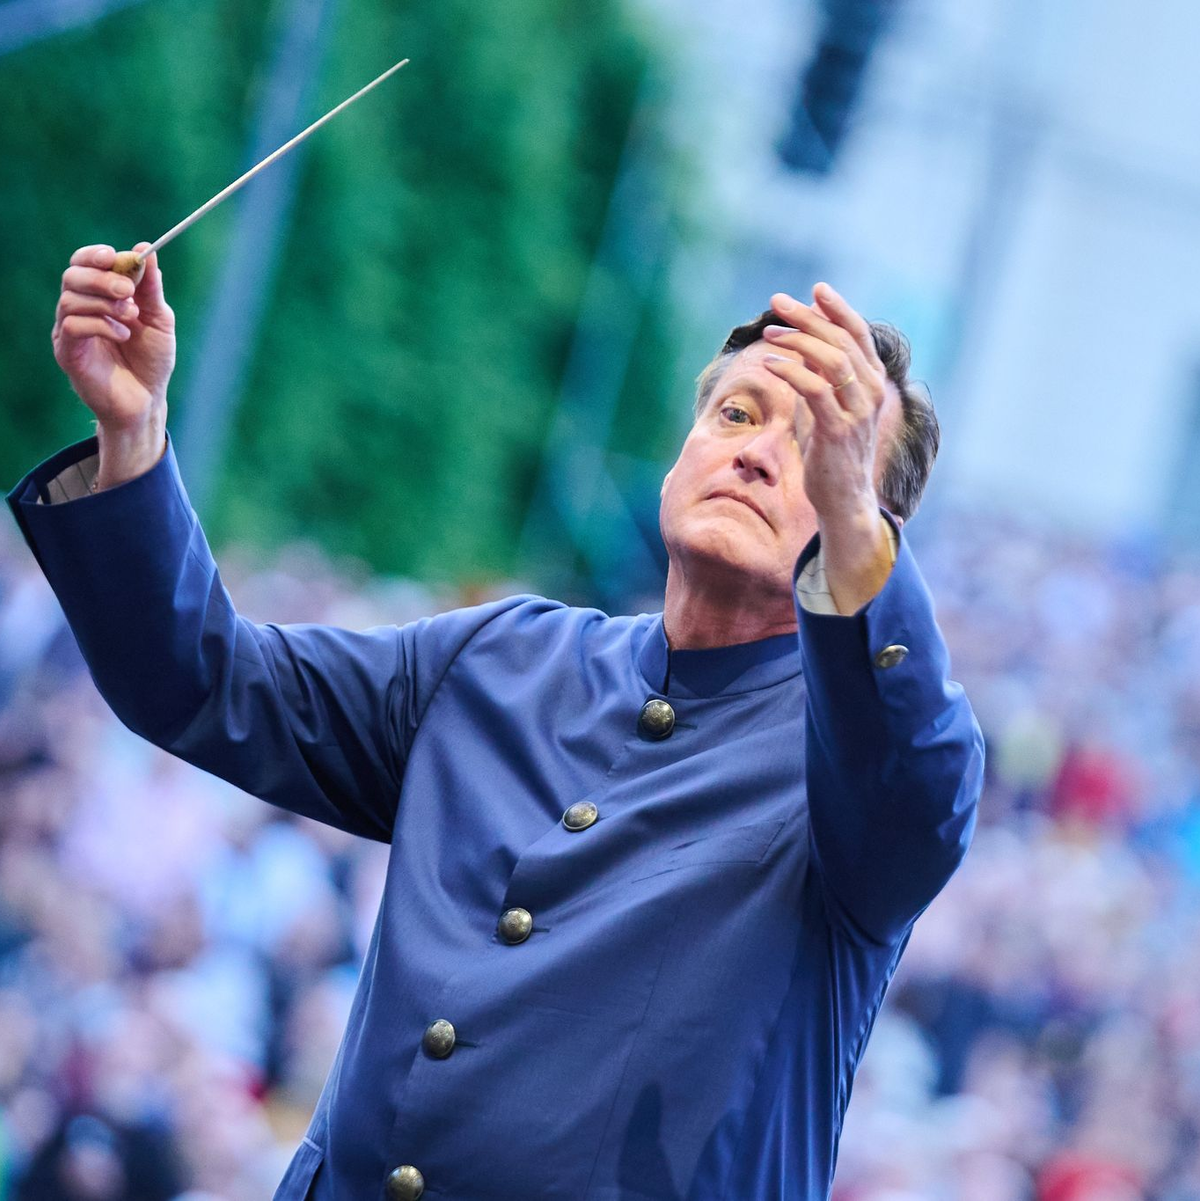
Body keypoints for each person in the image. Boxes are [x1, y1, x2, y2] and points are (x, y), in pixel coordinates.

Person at [7, 241, 984, 1201]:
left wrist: (859, 528)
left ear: (870, 531)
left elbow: (918, 785)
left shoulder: (858, 775)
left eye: (821, 450)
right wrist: (133, 436)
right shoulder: (502, 658)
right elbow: (202, 680)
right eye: (737, 412)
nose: (758, 455)